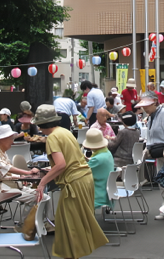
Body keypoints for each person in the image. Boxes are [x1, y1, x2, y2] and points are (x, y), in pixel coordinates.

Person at [31, 104, 108, 258]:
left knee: (69, 224)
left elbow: (60, 164)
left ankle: (71, 255)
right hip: (84, 178)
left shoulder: (52, 137)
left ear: (42, 124)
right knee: (75, 223)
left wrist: (43, 182)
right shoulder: (64, 132)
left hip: (74, 182)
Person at [0, 124, 39, 224]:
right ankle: (25, 225)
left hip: (10, 184)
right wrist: (27, 173)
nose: (12, 142)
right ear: (2, 139)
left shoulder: (1, 151)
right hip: (0, 188)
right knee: (34, 197)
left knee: (42, 195)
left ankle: (39, 222)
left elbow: (6, 173)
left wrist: (21, 177)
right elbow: (7, 168)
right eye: (10, 139)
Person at [136, 94, 164, 211]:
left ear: (155, 102)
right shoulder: (151, 116)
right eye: (143, 106)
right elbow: (152, 136)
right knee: (162, 183)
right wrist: (147, 148)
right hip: (160, 152)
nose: (145, 108)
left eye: (147, 105)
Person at [84, 128, 114, 208]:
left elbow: (83, 170)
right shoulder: (107, 153)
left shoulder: (97, 159)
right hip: (105, 190)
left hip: (98, 193)